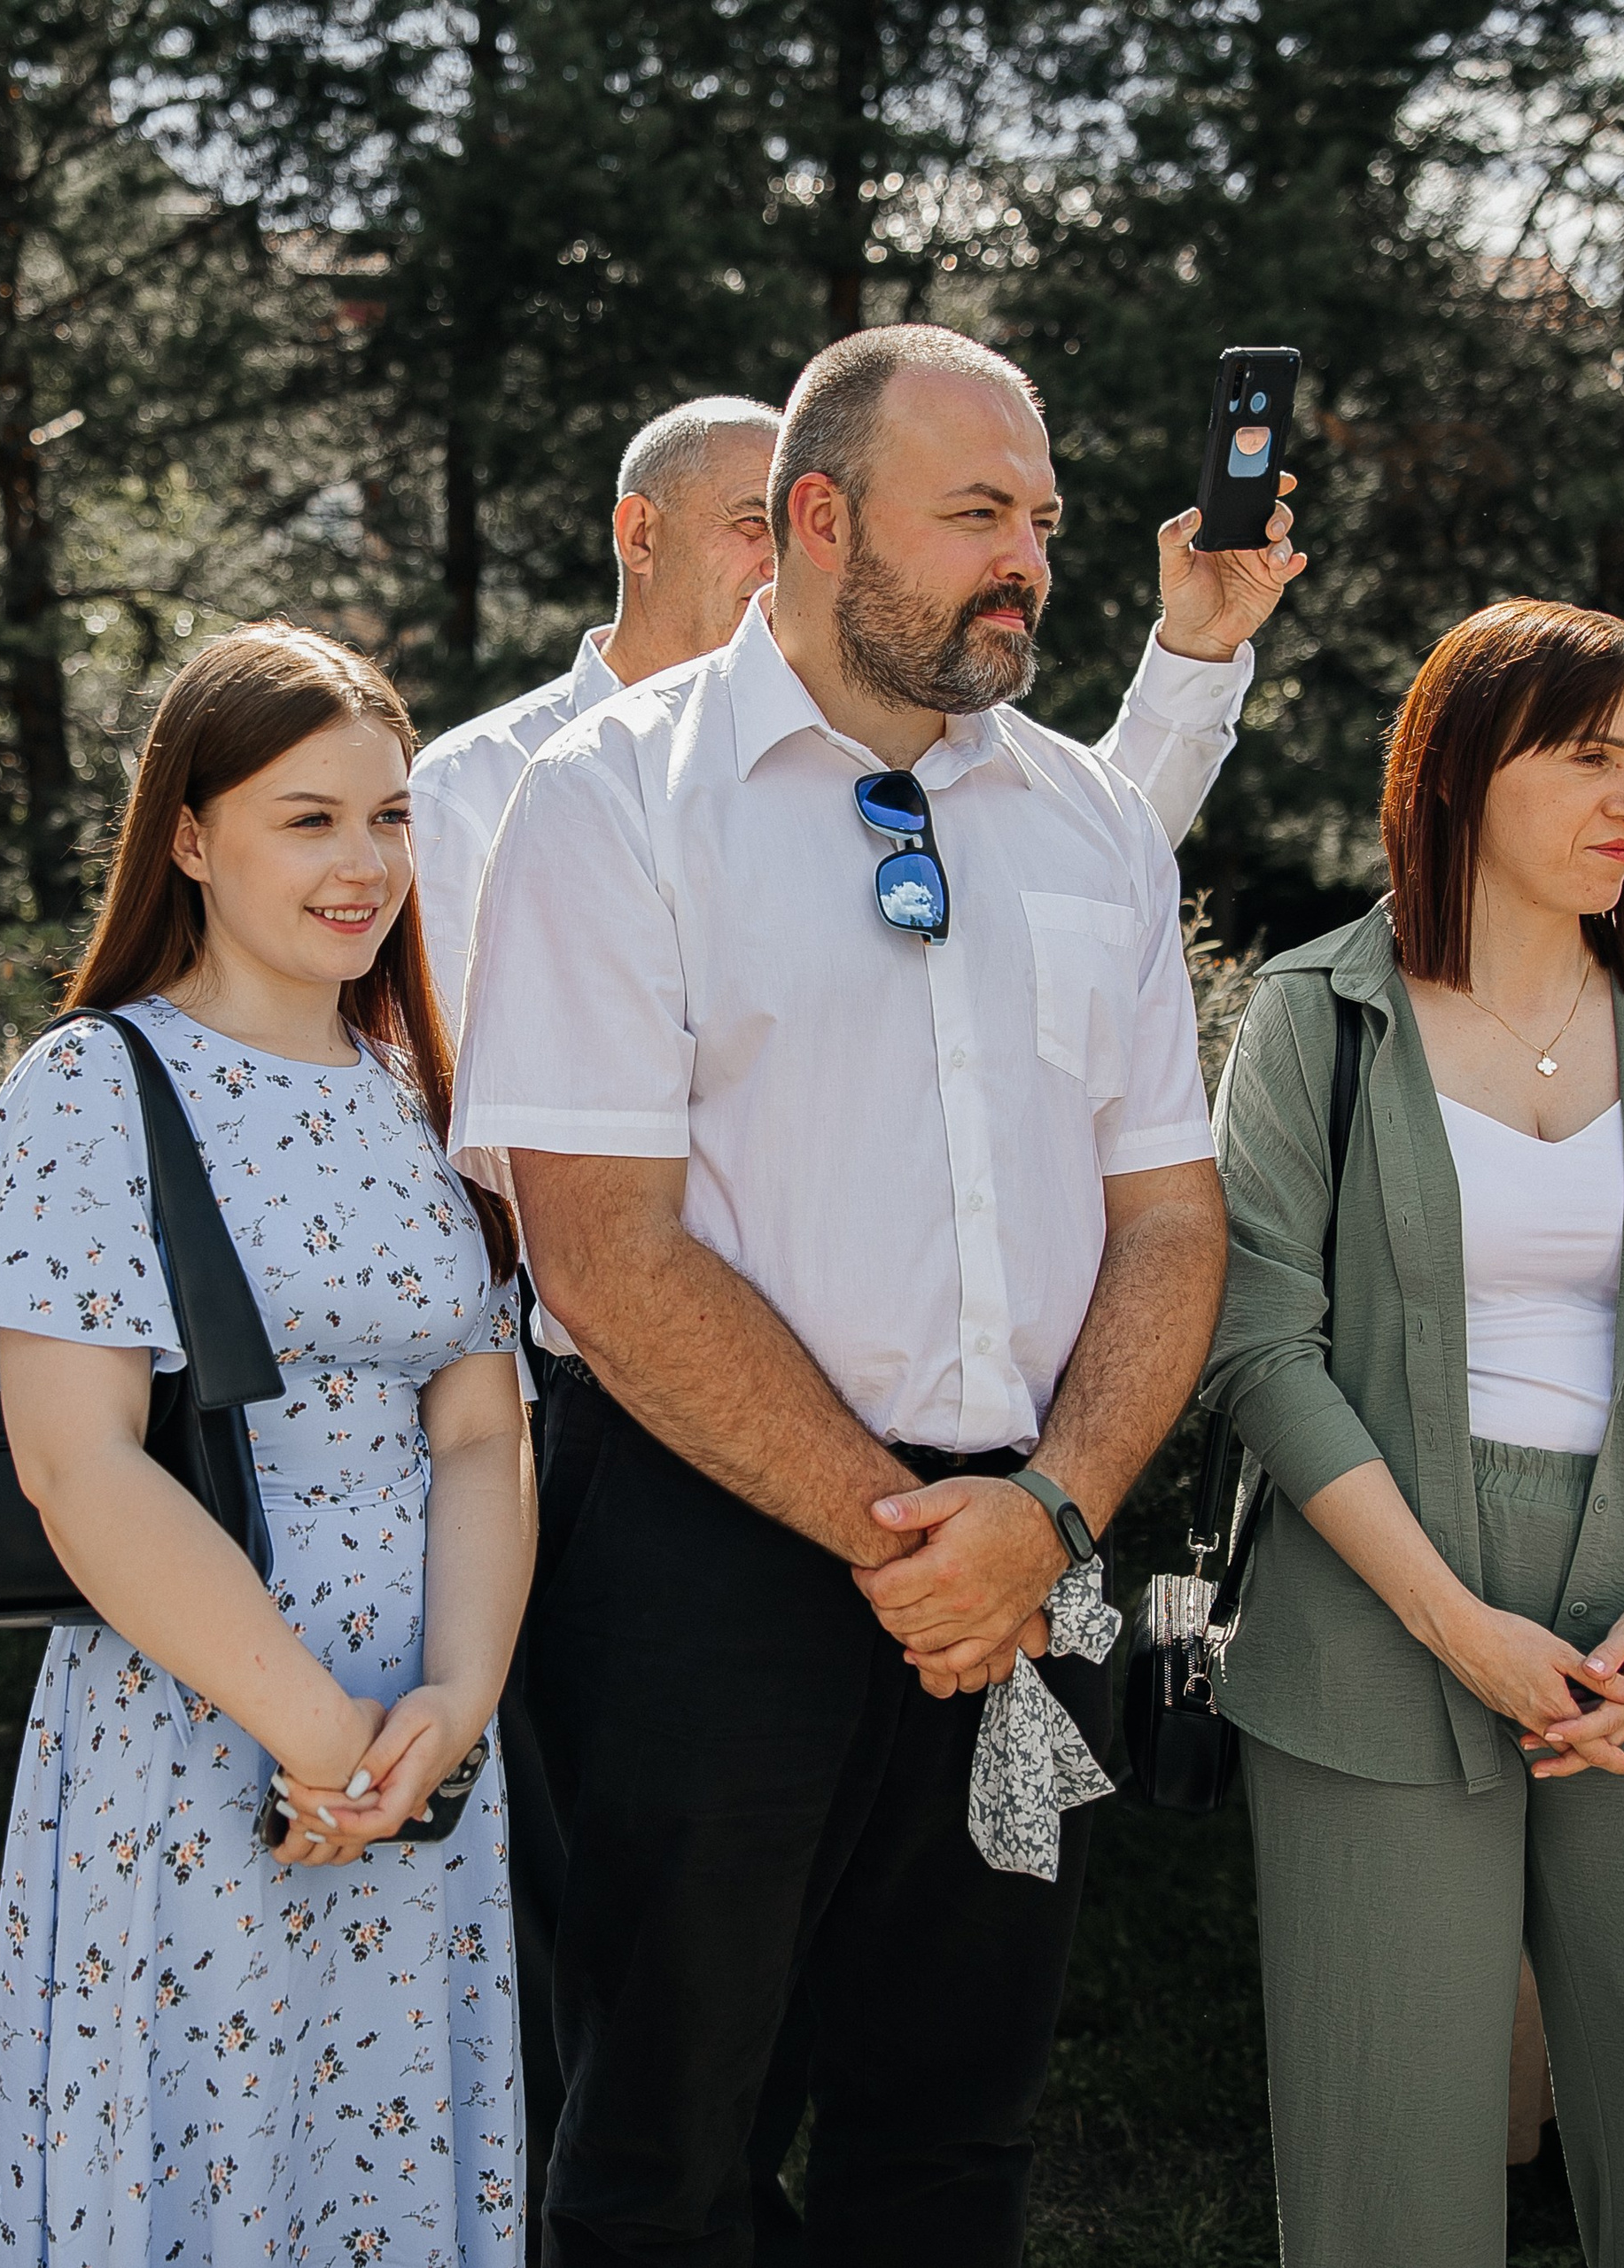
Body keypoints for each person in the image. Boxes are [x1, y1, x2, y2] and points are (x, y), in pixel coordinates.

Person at [451, 322, 1259, 2265]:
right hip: (700, 1552)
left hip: (1026, 1539)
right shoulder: (608, 801)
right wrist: (916, 1544)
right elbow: (601, 1246)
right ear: (814, 521)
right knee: (663, 2145)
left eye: (1042, 519)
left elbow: (1166, 1219)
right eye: (974, 511)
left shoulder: (1079, 825)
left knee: (950, 2135)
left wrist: (1044, 1516)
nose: (1028, 561)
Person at [0, 622, 536, 2264]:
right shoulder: (94, 1086)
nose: (367, 862)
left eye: (392, 816)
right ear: (189, 836)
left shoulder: (420, 1096)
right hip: (199, 1726)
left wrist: (447, 1711)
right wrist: (316, 1728)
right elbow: (76, 1464)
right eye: (309, 817)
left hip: (415, 1737)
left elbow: (480, 1429)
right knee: (201, 2165)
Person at [1204, 597, 1624, 2267]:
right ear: (1459, 774)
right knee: (1394, 2194)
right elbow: (1257, 1343)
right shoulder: (1318, 1013)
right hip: (1375, 1633)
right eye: (1590, 760)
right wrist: (1456, 1624)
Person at [410, 389, 1294, 1019]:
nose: (786, 559)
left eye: (806, 528)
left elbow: (1091, 842)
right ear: (641, 535)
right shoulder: (476, 786)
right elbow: (479, 1122)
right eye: (754, 525)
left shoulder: (866, 746)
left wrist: (1199, 649)